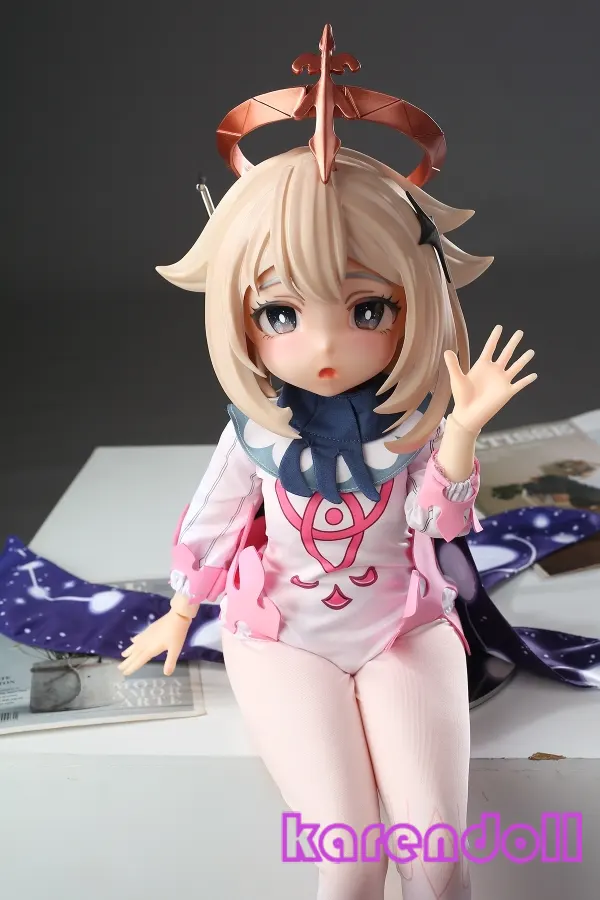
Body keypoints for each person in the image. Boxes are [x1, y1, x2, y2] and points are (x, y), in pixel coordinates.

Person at [119, 26, 537, 899]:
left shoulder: (411, 426)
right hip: (284, 636)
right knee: (348, 858)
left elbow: (438, 524)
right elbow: (214, 519)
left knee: (437, 858)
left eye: (368, 308)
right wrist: (181, 608)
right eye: (280, 313)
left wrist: (460, 432)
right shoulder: (255, 432)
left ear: (415, 299)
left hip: (404, 626)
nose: (323, 348)